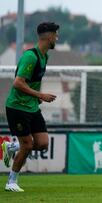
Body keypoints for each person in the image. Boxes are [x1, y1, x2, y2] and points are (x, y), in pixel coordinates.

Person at [1, 22, 59, 192]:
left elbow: (34, 81)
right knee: (27, 145)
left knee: (42, 144)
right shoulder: (30, 56)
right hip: (17, 107)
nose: (57, 38)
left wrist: (37, 98)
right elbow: (18, 83)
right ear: (49, 36)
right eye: (56, 35)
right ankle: (11, 181)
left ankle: (10, 147)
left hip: (31, 106)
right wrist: (41, 95)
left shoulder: (44, 56)